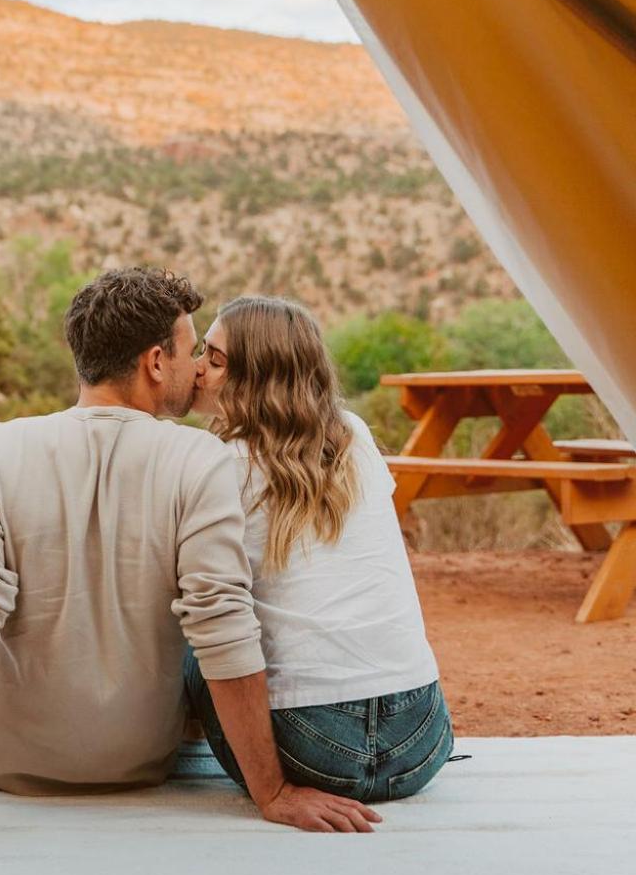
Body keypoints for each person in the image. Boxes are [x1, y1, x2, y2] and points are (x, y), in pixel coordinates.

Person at [0, 268, 380, 863]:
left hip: (8, 762)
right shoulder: (200, 459)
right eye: (189, 349)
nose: (196, 366)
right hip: (140, 761)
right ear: (155, 362)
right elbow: (221, 624)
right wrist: (272, 792)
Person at [188, 295, 453, 804]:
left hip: (312, 746)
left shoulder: (222, 465)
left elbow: (213, 614)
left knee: (195, 638)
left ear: (256, 378)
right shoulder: (355, 435)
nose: (199, 369)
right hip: (421, 739)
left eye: (215, 359)